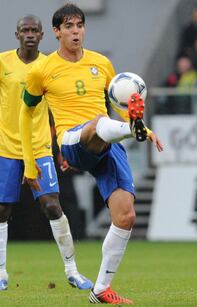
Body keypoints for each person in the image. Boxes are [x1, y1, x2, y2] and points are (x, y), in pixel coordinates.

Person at [19, 4, 163, 304]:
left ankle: (100, 290)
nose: (76, 32)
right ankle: (130, 130)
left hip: (106, 142)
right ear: (57, 32)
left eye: (80, 26)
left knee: (126, 216)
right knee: (98, 124)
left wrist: (143, 129)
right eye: (69, 27)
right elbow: (26, 113)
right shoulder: (41, 70)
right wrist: (30, 162)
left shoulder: (102, 64)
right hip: (73, 139)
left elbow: (117, 109)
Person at [0, 15, 92, 291]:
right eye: (24, 30)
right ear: (17, 35)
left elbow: (59, 109)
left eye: (34, 31)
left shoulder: (52, 65)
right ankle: (1, 272)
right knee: (2, 209)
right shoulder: (3, 62)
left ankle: (72, 271)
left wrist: (63, 149)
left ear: (42, 36)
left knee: (52, 205)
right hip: (6, 147)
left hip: (40, 148)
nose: (29, 34)